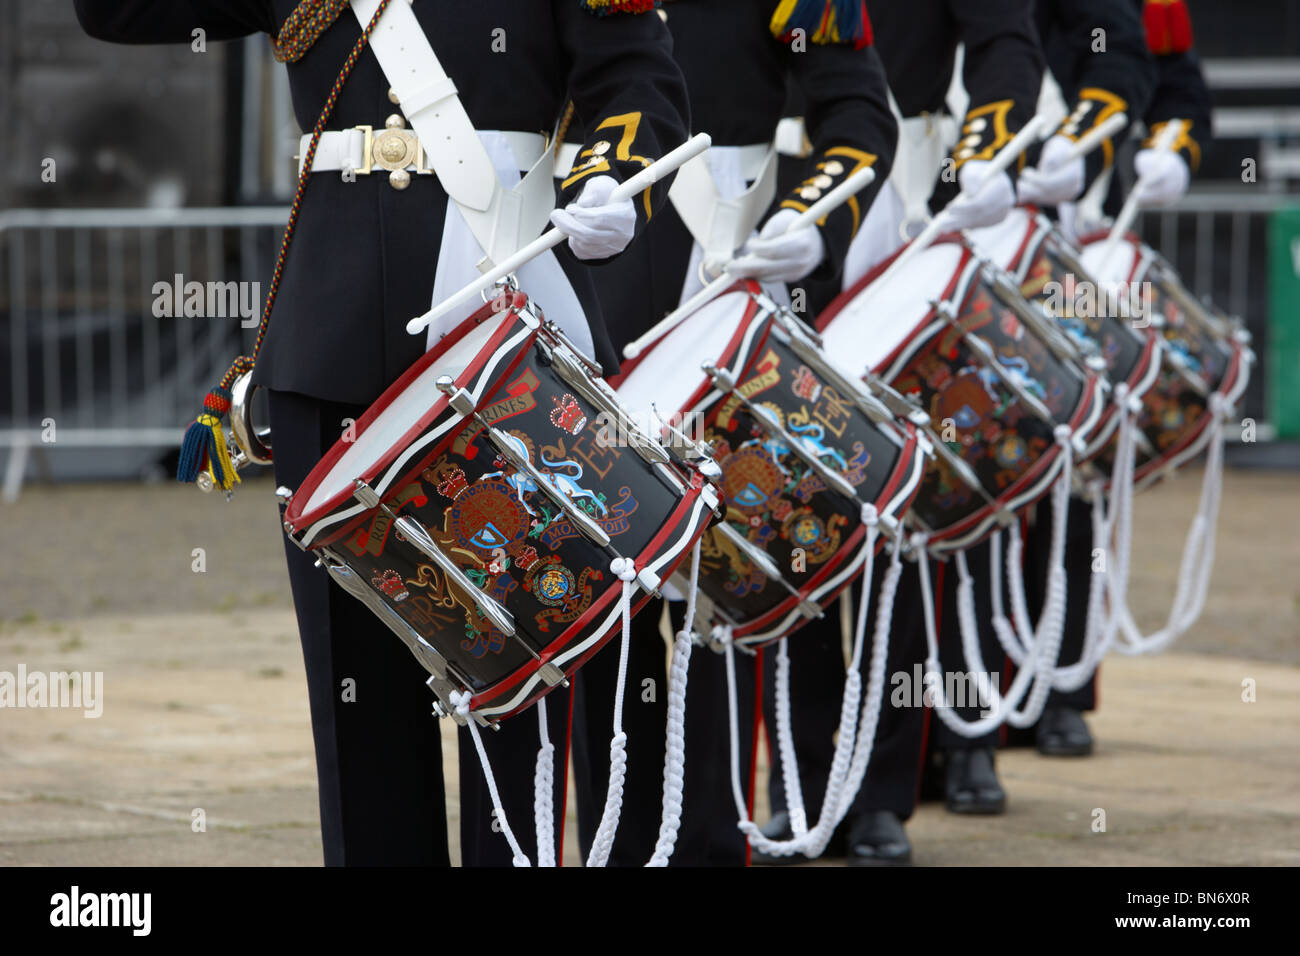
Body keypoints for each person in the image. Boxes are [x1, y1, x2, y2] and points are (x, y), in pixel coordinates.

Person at [74, 0, 690, 866]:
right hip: (333, 339)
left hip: (505, 323)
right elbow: (118, 13)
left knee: (524, 664)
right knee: (355, 688)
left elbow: (635, 73)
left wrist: (613, 174)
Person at [567, 0, 897, 867]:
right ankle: (618, 844)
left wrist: (815, 220)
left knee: (737, 577)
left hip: (727, 278)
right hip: (580, 276)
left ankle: (731, 833)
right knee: (598, 590)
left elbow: (857, 113)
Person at [757, 0, 1045, 866]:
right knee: (784, 505)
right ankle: (803, 785)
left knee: (898, 520)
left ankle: (883, 790)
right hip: (756, 197)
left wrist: (986, 150)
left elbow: (1003, 38)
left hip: (908, 200)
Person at [1016, 0, 1212, 757]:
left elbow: (1178, 89)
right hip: (968, 228)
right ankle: (978, 705)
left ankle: (1063, 686)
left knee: (1075, 480)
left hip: (1078, 243)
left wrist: (1172, 148)